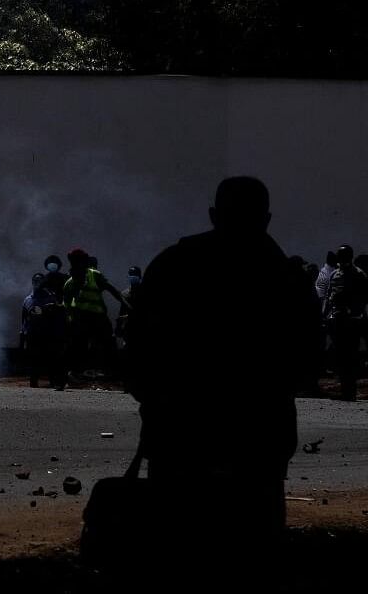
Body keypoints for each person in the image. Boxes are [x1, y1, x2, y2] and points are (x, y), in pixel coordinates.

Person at [126, 176, 321, 588]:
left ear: (214, 214)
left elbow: (139, 349)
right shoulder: (286, 276)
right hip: (258, 437)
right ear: (266, 219)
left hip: (180, 431)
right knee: (253, 553)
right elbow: (306, 360)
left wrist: (157, 400)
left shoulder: (173, 265)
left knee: (177, 552)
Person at [62, 248, 126, 380]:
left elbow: (114, 291)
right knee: (78, 345)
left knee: (107, 344)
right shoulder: (69, 284)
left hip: (98, 317)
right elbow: (67, 306)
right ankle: (72, 373)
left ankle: (113, 372)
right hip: (82, 318)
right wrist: (72, 320)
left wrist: (129, 307)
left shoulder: (94, 275)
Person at [324, 245, 367, 401]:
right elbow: (329, 296)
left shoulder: (358, 275)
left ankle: (349, 392)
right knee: (340, 357)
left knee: (350, 357)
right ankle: (345, 390)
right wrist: (325, 316)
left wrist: (353, 311)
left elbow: (363, 299)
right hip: (336, 320)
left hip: (351, 322)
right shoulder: (335, 274)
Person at [21, 273, 66, 389]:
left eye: (40, 281)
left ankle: (53, 383)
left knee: (51, 359)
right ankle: (34, 384)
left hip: (48, 334)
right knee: (34, 361)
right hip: (33, 335)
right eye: (35, 281)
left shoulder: (51, 298)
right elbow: (24, 319)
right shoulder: (28, 300)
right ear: (32, 283)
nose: (37, 284)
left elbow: (58, 315)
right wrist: (23, 333)